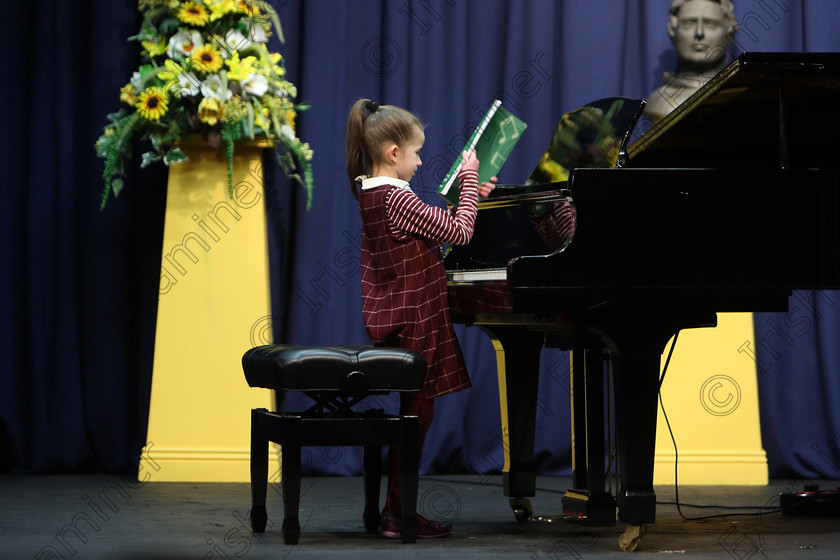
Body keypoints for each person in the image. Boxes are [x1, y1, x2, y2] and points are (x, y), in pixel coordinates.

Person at [346, 98, 496, 539]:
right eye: (416, 153)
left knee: (420, 414)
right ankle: (398, 514)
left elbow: (432, 239)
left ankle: (398, 509)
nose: (420, 161)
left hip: (406, 315)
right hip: (415, 320)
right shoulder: (394, 196)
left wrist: (472, 198)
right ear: (394, 153)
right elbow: (459, 232)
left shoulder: (374, 193)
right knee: (419, 415)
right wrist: (468, 182)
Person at [644, 0, 739, 122]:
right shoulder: (658, 102)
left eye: (710, 24)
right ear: (673, 30)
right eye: (689, 23)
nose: (699, 33)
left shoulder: (742, 97)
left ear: (729, 33)